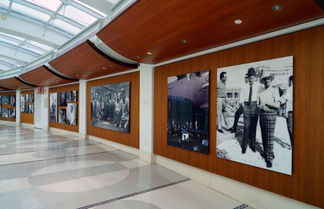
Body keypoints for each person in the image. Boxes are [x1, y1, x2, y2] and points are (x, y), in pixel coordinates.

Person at [258, 72, 281, 168]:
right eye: (265, 79)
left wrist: (266, 103)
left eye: (268, 79)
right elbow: (258, 104)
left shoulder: (274, 90)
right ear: (263, 81)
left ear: (271, 80)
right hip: (262, 115)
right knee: (264, 135)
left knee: (269, 137)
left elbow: (278, 105)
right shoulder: (261, 92)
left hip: (271, 114)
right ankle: (266, 152)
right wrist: (261, 106)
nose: (266, 81)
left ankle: (269, 158)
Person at [240, 68, 260, 153]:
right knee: (246, 126)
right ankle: (244, 146)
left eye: (253, 75)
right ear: (248, 76)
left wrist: (257, 107)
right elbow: (241, 99)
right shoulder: (244, 86)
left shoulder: (258, 86)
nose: (252, 77)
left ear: (255, 76)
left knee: (253, 126)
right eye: (250, 75)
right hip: (246, 106)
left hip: (255, 106)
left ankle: (252, 145)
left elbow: (259, 97)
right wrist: (243, 107)